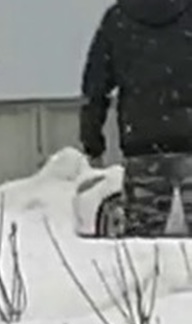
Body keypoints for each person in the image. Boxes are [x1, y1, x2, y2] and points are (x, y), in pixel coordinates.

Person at [80, 0, 192, 237]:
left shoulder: (118, 19)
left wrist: (93, 144)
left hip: (142, 145)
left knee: (142, 243)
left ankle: (147, 273)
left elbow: (95, 88)